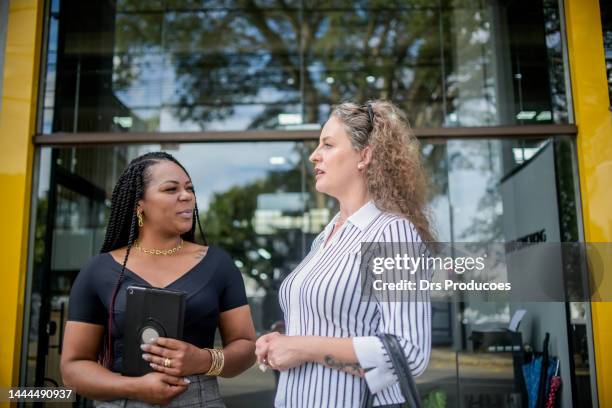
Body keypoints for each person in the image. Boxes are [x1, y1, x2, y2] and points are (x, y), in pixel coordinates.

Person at [255, 100, 434, 407]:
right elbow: (334, 323)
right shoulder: (326, 236)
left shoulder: (391, 233)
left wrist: (304, 348)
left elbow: (409, 353)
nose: (314, 155)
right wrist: (282, 340)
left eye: (327, 144)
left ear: (364, 156)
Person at [61, 152, 256, 407]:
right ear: (139, 204)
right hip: (121, 401)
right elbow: (72, 368)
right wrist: (135, 388)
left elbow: (247, 346)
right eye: (171, 189)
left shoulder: (218, 264)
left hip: (198, 400)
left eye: (189, 188)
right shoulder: (98, 271)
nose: (186, 196)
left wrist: (203, 359)